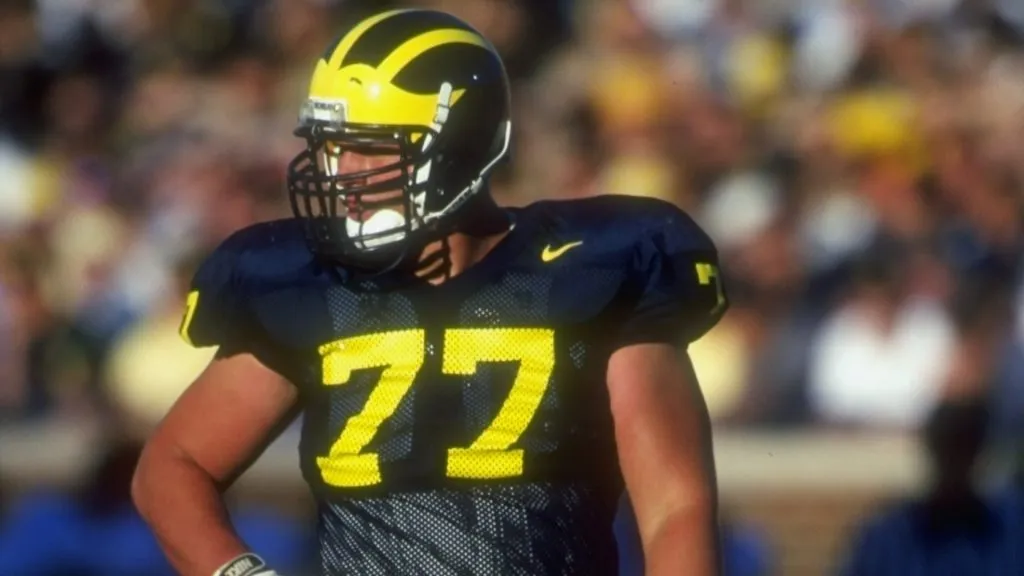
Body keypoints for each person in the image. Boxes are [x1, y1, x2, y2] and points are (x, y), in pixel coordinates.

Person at [131, 8, 727, 576]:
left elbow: (675, 507)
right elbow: (174, 466)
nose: (343, 173)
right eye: (331, 146)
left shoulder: (593, 268)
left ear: (458, 146)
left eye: (371, 146)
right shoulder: (312, 283)